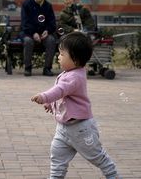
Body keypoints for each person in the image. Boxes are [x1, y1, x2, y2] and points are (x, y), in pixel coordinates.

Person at [31, 32, 119, 179]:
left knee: (97, 157)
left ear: (76, 59)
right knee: (57, 158)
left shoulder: (75, 76)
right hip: (63, 129)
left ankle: (113, 175)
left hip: (81, 129)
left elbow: (60, 90)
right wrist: (50, 104)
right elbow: (63, 97)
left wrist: (44, 96)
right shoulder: (68, 73)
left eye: (62, 54)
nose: (58, 57)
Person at [21, 0, 56, 77]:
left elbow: (52, 22)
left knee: (51, 41)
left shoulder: (48, 6)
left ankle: (47, 68)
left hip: (44, 33)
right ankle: (27, 68)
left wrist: (47, 31)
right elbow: (25, 22)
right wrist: (33, 33)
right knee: (28, 41)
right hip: (29, 33)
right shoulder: (26, 4)